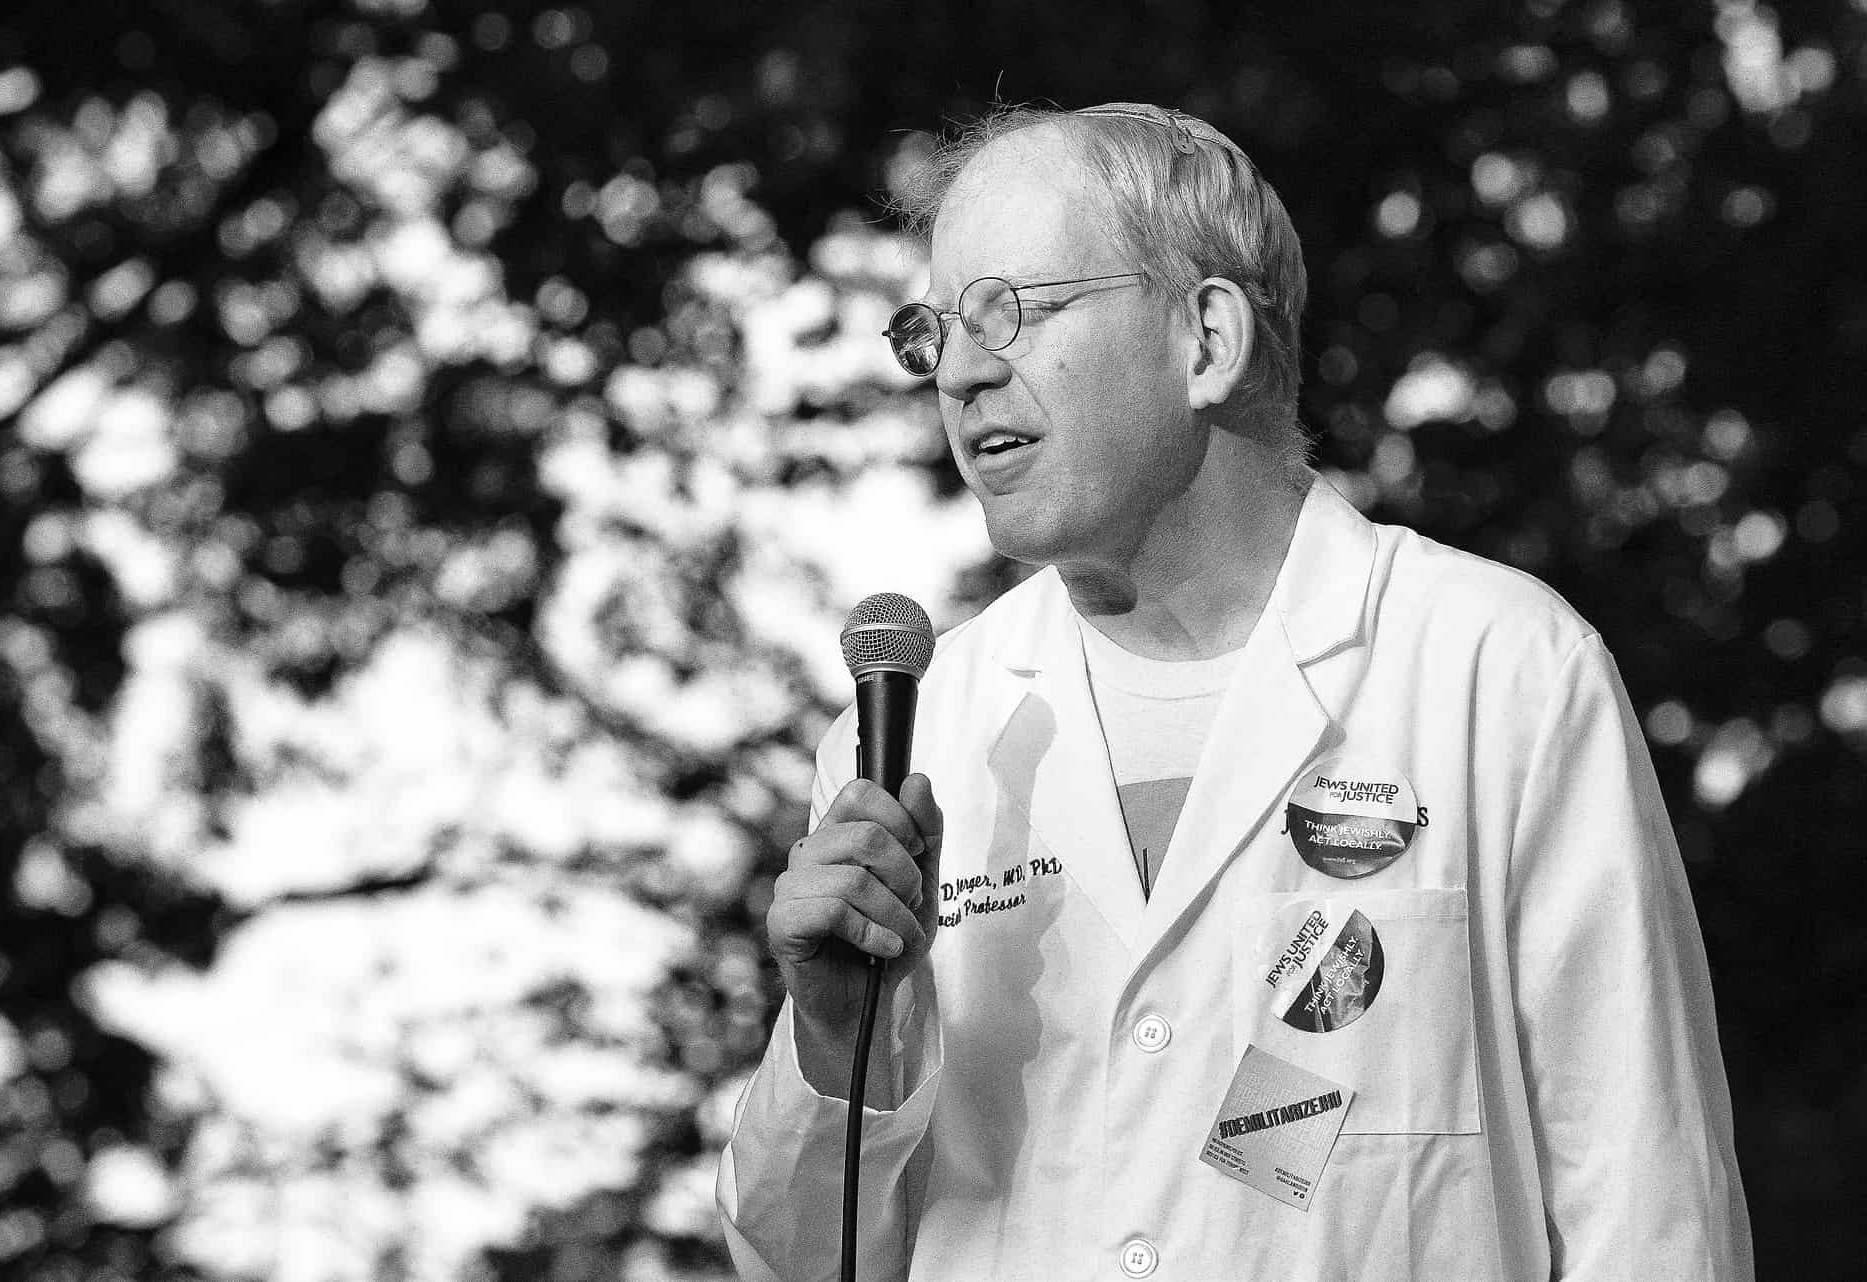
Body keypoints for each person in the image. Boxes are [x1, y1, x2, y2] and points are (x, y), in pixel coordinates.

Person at [716, 100, 1752, 1282]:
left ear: (1207, 338)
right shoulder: (918, 735)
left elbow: (1651, 1214)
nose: (958, 370)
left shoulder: (1499, 669)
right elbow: (798, 1263)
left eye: (1012, 309)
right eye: (934, 330)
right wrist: (834, 1039)